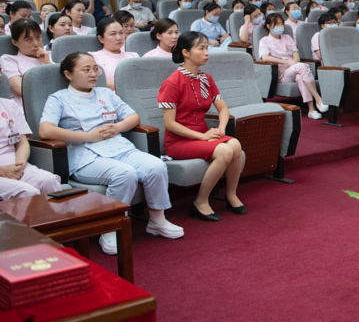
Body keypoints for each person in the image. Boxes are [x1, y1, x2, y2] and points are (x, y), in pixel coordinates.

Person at [40, 52, 183, 252]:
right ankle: (110, 227)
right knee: (124, 174)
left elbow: (133, 117)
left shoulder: (105, 93)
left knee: (156, 166)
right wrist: (87, 136)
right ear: (69, 74)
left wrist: (117, 127)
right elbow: (45, 130)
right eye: (86, 69)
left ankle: (157, 220)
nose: (93, 74)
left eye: (95, 68)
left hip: (117, 146)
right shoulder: (59, 99)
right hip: (85, 154)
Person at [159, 32, 246, 219]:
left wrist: (221, 129)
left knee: (235, 145)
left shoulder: (206, 78)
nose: (207, 52)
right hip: (178, 141)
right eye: (201, 48)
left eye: (207, 48)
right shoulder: (172, 82)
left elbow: (223, 109)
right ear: (186, 52)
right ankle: (200, 202)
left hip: (203, 135)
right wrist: (202, 136)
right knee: (224, 151)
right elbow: (169, 123)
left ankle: (231, 195)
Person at [258, 14, 328, 119]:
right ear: (268, 26)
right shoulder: (264, 40)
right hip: (280, 73)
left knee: (300, 76)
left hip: (293, 67)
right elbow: (264, 58)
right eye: (277, 24)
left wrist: (292, 63)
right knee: (302, 67)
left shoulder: (287, 37)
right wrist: (285, 62)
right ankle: (318, 99)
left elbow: (296, 56)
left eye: (282, 23)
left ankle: (311, 109)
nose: (280, 26)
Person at [0, 94, 61, 200]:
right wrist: (2, 171)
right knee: (27, 192)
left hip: (14, 165)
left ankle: (62, 216)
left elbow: (22, 143)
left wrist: (20, 165)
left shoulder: (10, 105)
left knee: (49, 180)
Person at [2, 19, 51, 105]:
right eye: (29, 39)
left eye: (38, 37)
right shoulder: (9, 60)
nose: (36, 43)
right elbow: (20, 89)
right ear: (15, 42)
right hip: (28, 108)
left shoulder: (48, 56)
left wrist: (48, 64)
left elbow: (62, 84)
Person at [91, 17, 139, 90]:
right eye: (113, 34)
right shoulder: (94, 58)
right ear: (101, 38)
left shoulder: (133, 56)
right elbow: (98, 83)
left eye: (121, 33)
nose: (119, 37)